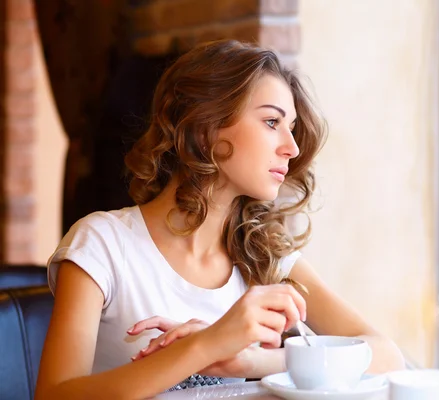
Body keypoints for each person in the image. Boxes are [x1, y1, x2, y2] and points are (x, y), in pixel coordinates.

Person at [35, 40, 405, 400]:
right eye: (272, 121)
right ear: (205, 125)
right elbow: (54, 395)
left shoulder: (265, 255)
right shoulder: (101, 244)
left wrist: (250, 360)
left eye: (290, 126)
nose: (291, 147)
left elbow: (387, 357)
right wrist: (206, 345)